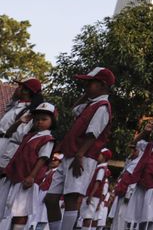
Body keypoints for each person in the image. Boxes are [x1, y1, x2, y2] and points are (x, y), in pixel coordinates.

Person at [45, 67, 115, 230]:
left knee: (71, 198)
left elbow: (93, 134)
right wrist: (86, 94)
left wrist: (79, 155)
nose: (86, 86)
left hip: (82, 156)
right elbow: (73, 110)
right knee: (50, 198)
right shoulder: (90, 104)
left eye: (91, 83)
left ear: (103, 85)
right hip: (70, 154)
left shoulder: (103, 106)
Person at [0, 102, 55, 230]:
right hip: (15, 174)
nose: (39, 122)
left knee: (21, 211)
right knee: (9, 208)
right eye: (37, 119)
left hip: (27, 177)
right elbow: (9, 132)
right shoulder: (29, 135)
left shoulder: (47, 138)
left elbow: (43, 158)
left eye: (44, 119)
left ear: (52, 121)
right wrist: (21, 121)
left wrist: (31, 176)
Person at [0, 79, 44, 170]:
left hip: (6, 146)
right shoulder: (15, 104)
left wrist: (6, 159)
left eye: (20, 86)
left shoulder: (28, 111)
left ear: (26, 91)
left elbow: (18, 137)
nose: (17, 88)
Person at [110, 143, 143, 230]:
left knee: (122, 216)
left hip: (128, 195)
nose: (132, 151)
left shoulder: (138, 164)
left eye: (135, 150)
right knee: (118, 216)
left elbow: (132, 181)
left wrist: (128, 193)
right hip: (122, 193)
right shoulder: (132, 161)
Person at [80, 148, 112, 230]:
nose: (98, 155)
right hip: (92, 194)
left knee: (88, 216)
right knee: (86, 216)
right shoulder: (99, 167)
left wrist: (91, 195)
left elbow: (98, 182)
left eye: (100, 154)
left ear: (104, 157)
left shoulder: (101, 169)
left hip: (93, 195)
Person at [34, 153, 63, 230]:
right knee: (36, 215)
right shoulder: (46, 170)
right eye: (52, 159)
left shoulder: (58, 173)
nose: (52, 161)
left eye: (55, 160)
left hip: (49, 195)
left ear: (60, 163)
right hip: (40, 194)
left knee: (44, 217)